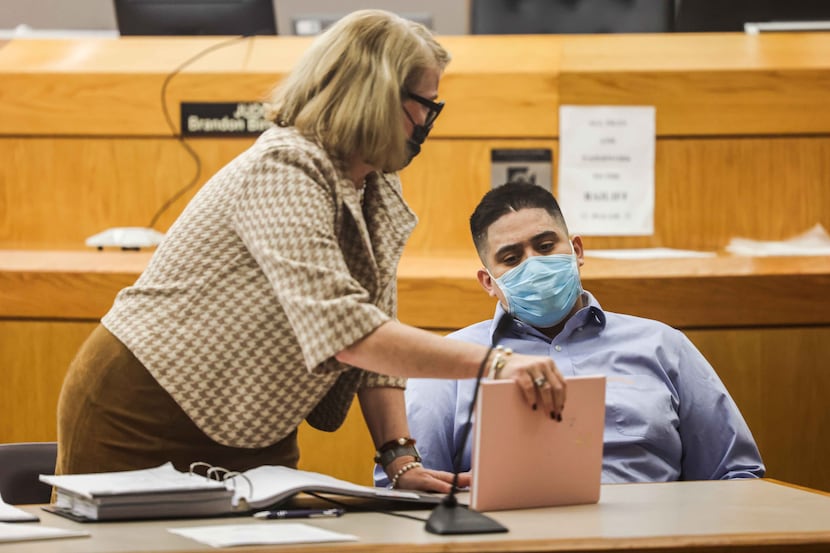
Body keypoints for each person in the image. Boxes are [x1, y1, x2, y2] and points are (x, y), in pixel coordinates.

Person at [55, 10, 568, 494]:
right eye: (424, 104)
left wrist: (400, 457)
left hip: (252, 421)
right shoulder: (284, 169)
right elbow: (346, 330)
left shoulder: (376, 187)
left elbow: (374, 336)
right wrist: (495, 364)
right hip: (144, 408)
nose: (429, 121)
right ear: (376, 97)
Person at [375, 182, 764, 487]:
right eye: (511, 258)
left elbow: (735, 475)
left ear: (576, 250)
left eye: (546, 246)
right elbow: (409, 493)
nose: (535, 264)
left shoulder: (663, 346)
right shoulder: (450, 361)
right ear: (489, 282)